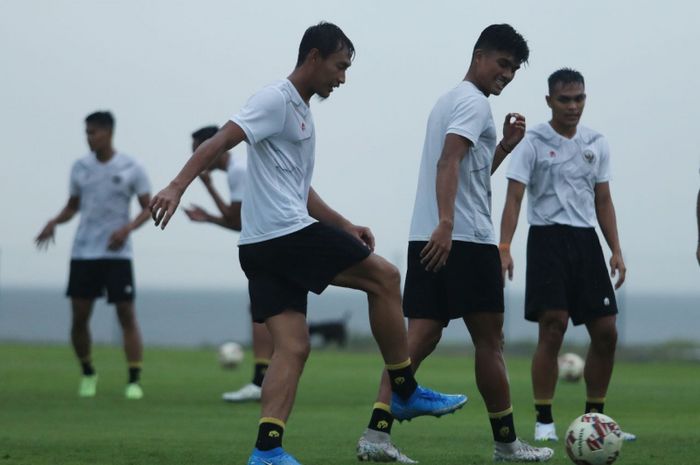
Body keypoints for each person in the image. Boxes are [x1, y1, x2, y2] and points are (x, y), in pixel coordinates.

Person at [149, 22, 467, 465]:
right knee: (386, 277)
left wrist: (342, 224)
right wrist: (176, 185)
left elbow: (299, 187)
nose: (343, 78)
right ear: (314, 57)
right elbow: (221, 139)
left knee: (294, 347)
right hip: (284, 235)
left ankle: (267, 451)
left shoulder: (301, 111)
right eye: (340, 67)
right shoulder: (275, 99)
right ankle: (404, 390)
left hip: (261, 244)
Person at [356, 24, 553, 463]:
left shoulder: (448, 101)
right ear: (479, 55)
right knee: (490, 342)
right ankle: (506, 444)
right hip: (463, 239)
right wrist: (447, 223)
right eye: (502, 64)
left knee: (415, 341)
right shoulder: (472, 102)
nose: (507, 74)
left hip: (427, 236)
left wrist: (503, 147)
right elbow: (449, 160)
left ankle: (376, 435)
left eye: (514, 69)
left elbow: (467, 172)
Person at [498, 68, 636, 442]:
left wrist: (616, 250)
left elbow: (603, 199)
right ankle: (544, 419)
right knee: (553, 325)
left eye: (579, 99)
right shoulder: (532, 142)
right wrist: (505, 247)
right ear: (549, 101)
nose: (573, 106)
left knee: (606, 332)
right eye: (565, 99)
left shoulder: (597, 142)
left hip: (586, 240)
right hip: (546, 240)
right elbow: (513, 197)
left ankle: (596, 422)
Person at [35, 111, 151, 400]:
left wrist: (126, 230)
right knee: (79, 316)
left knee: (126, 313)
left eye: (94, 132)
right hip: (84, 252)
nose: (89, 137)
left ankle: (133, 379)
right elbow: (73, 206)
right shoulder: (80, 167)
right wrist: (54, 221)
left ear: (109, 133)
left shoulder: (132, 166)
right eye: (86, 132)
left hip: (117, 254)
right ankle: (88, 372)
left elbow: (148, 207)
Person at [184, 125, 273, 402]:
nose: (197, 159)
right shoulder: (240, 167)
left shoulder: (237, 171)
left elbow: (236, 221)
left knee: (264, 312)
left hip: (269, 243)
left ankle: (261, 382)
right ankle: (266, 380)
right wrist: (209, 215)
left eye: (199, 152)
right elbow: (238, 220)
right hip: (273, 239)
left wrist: (209, 195)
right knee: (271, 312)